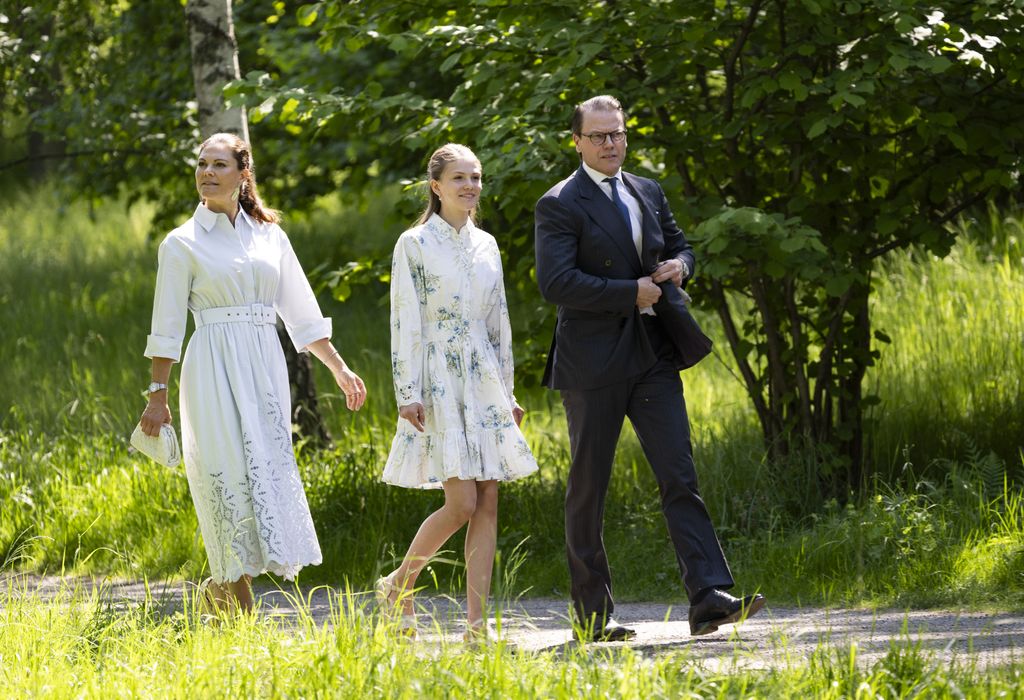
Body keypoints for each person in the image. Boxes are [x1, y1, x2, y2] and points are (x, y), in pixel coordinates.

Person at [534, 95, 764, 641]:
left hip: (653, 352)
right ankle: (593, 616)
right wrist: (629, 291)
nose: (610, 143)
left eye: (617, 134)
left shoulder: (646, 189)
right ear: (578, 142)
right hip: (593, 363)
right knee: (589, 486)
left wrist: (680, 265)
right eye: (599, 136)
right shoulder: (560, 203)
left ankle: (708, 597)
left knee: (679, 475)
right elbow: (556, 283)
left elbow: (681, 243)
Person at [139, 132, 367, 615]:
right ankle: (241, 619)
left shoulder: (271, 236)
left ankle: (215, 596)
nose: (207, 172)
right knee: (227, 480)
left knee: (261, 474)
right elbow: (166, 327)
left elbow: (302, 314)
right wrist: (157, 395)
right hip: (212, 370)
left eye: (219, 164)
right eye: (202, 163)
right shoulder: (180, 243)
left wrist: (341, 370)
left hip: (264, 371)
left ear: (244, 174)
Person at [377, 143, 538, 641]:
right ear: (436, 186)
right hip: (437, 377)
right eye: (459, 178)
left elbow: (499, 323)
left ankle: (476, 626)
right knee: (462, 502)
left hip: (483, 377)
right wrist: (408, 390)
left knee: (488, 501)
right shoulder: (415, 243)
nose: (470, 185)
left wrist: (507, 391)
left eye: (476, 177)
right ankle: (398, 584)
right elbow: (404, 319)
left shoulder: (487, 244)